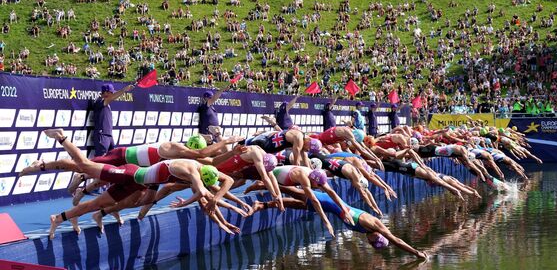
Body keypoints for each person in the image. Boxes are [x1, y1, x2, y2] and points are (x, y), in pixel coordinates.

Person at [42, 129, 231, 239]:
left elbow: (211, 184)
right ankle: (59, 144)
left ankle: (61, 218)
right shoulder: (189, 167)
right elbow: (203, 193)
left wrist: (226, 216)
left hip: (139, 181)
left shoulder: (197, 167)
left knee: (106, 202)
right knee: (84, 166)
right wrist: (228, 141)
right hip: (131, 170)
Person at [251, 186, 428, 259]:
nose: (371, 242)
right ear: (378, 236)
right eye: (374, 242)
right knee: (300, 195)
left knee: (299, 205)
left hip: (329, 207)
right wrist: (416, 252)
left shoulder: (365, 232)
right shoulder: (373, 224)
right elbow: (396, 240)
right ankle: (267, 185)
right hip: (330, 202)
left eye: (372, 244)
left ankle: (263, 204)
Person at [93, 83, 134, 156]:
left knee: (112, 158)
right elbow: (111, 98)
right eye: (111, 93)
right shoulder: (99, 101)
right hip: (102, 134)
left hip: (108, 134)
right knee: (101, 159)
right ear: (105, 92)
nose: (113, 95)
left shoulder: (105, 103)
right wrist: (124, 90)